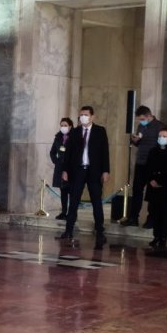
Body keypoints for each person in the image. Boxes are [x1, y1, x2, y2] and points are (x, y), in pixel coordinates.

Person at [59, 106, 111, 249]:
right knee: (74, 201)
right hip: (78, 171)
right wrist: (65, 170)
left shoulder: (100, 131)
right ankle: (68, 230)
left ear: (92, 117)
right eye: (81, 115)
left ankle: (100, 231)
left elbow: (105, 152)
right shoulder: (75, 132)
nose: (83, 117)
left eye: (86, 115)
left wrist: (106, 171)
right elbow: (68, 153)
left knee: (96, 201)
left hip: (94, 171)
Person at [124, 106, 163, 228]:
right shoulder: (141, 126)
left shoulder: (159, 126)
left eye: (142, 119)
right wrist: (135, 140)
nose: (141, 121)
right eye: (139, 119)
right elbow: (139, 143)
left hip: (152, 164)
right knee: (137, 191)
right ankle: (133, 218)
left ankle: (151, 220)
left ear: (149, 116)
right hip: (140, 162)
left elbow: (161, 145)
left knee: (152, 193)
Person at [145, 128, 167, 251]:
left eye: (164, 136)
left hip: (166, 188)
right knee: (154, 211)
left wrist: (161, 182)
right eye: (160, 135)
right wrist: (151, 179)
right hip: (153, 187)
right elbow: (148, 167)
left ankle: (164, 237)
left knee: (165, 213)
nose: (161, 138)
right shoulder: (153, 151)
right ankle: (156, 236)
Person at [49, 117, 73, 220]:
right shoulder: (58, 137)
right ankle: (64, 212)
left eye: (65, 125)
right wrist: (56, 161)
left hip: (71, 168)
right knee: (63, 191)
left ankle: (71, 213)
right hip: (60, 167)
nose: (63, 127)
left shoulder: (74, 136)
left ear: (70, 126)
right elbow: (52, 152)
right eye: (62, 125)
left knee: (72, 192)